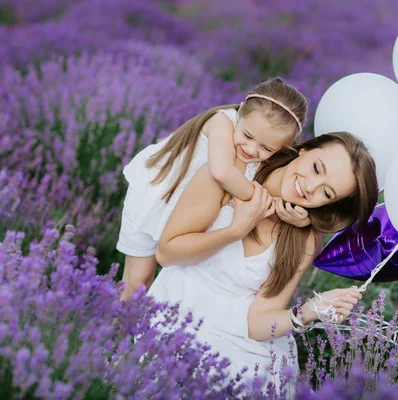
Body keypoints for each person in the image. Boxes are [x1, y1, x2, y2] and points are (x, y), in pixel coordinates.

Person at [148, 127, 379, 390]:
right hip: (179, 309)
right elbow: (166, 253)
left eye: (327, 193)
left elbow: (257, 325)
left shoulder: (303, 238)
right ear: (304, 150)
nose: (310, 187)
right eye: (316, 167)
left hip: (242, 341)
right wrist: (235, 230)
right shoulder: (229, 172)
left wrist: (311, 309)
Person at [117, 77, 312, 300]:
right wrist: (263, 202)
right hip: (153, 193)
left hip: (184, 205)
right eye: (247, 136)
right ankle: (113, 331)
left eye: (266, 148)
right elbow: (221, 172)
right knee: (137, 282)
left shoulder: (269, 150)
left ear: (281, 149)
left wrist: (302, 218)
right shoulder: (222, 121)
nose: (251, 149)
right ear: (241, 114)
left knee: (168, 278)